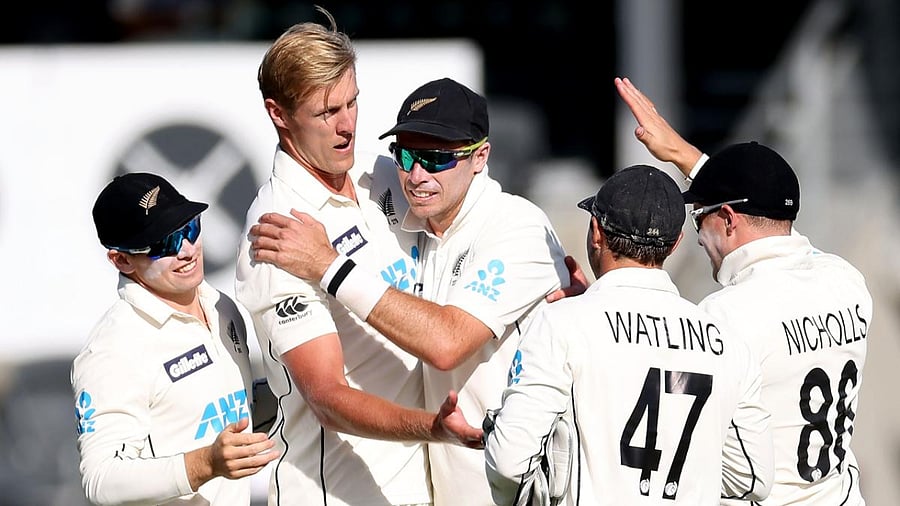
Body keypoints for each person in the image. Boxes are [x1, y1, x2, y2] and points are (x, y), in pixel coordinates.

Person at [248, 77, 574, 505]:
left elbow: (446, 343)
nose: (416, 176)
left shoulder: (516, 225)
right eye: (405, 155)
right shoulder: (425, 222)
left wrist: (328, 265)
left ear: (481, 157)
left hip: (516, 493)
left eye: (436, 159)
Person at [234, 9, 482, 506]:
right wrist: (431, 428)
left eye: (353, 103)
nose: (348, 126)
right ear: (278, 114)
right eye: (327, 113)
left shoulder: (387, 174)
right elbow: (327, 399)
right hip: (343, 495)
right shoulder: (280, 232)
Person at [616, 76, 872, 505]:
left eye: (700, 217)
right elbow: (772, 227)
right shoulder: (848, 281)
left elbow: (664, 420)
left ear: (729, 220)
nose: (698, 234)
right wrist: (685, 156)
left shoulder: (726, 315)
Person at [481, 164, 774, 505]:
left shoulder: (560, 323)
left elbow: (508, 462)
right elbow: (753, 478)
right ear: (676, 242)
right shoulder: (727, 342)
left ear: (595, 232)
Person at [72, 172, 279, 506]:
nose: (186, 250)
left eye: (190, 228)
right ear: (121, 260)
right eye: (164, 243)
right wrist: (206, 464)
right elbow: (101, 479)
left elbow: (228, 413)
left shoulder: (222, 307)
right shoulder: (112, 350)